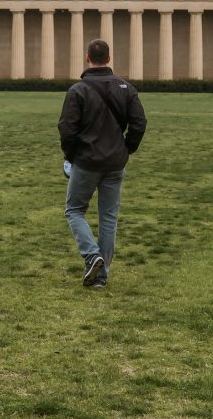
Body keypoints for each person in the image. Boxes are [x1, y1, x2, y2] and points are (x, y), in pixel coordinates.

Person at [58, 39, 147, 288]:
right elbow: (139, 123)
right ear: (109, 58)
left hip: (86, 161)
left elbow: (66, 129)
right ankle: (101, 276)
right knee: (108, 217)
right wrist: (126, 149)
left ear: (88, 58)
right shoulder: (126, 88)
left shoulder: (78, 90)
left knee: (74, 210)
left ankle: (92, 256)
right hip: (115, 163)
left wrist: (70, 156)